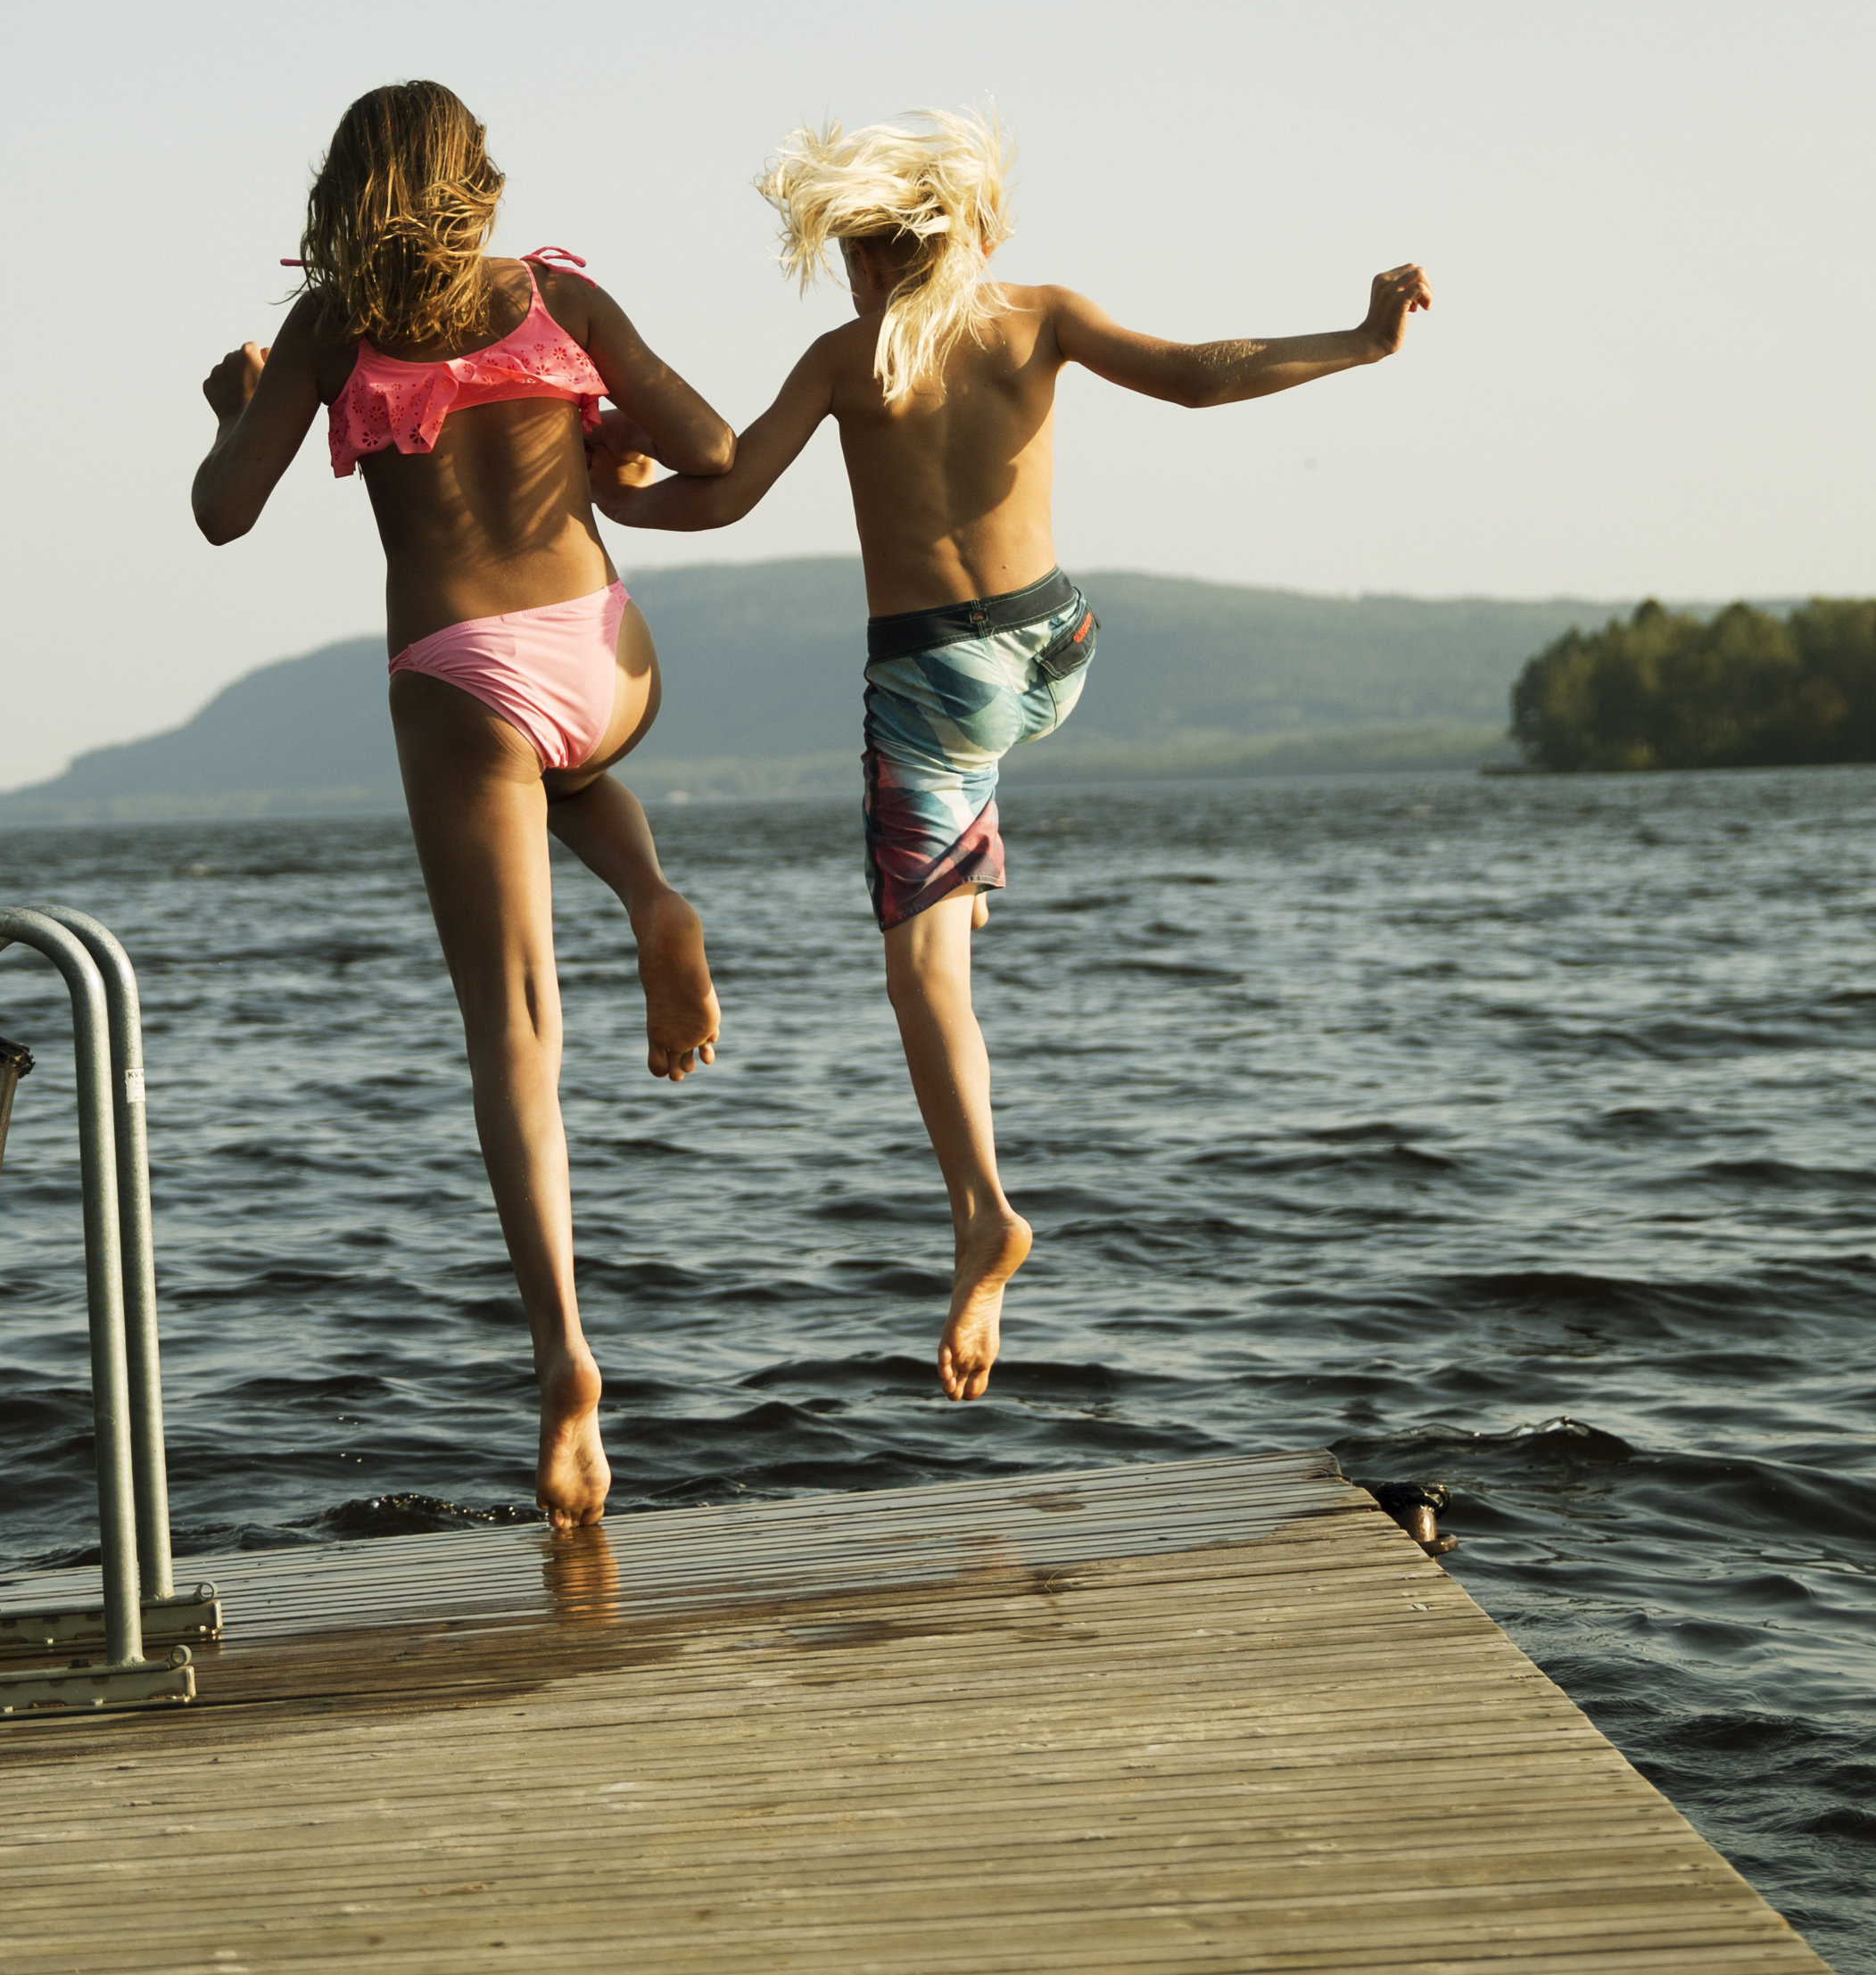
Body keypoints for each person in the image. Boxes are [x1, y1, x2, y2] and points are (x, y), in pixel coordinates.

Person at [597, 110, 1432, 1401]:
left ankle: (982, 1210)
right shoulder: (1040, 315)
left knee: (923, 967)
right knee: (960, 807)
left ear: (868, 256)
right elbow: (1201, 374)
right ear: (972, 237)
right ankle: (966, 864)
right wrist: (1362, 340)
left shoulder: (848, 358)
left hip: (936, 678)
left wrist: (619, 495)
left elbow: (728, 493)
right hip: (1057, 650)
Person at [192, 79, 738, 1525]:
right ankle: (653, 895)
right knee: (573, 770)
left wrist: (241, 409)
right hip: (604, 655)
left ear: (345, 194)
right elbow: (717, 450)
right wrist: (605, 442)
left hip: (460, 669)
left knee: (515, 1036)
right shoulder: (561, 295)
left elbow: (222, 511)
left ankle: (564, 1360)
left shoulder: (331, 326)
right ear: (478, 179)